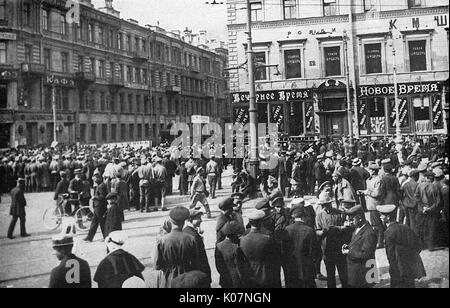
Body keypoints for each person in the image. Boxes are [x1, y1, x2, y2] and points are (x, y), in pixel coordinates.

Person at [377, 204, 426, 288]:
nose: (380, 217)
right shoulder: (405, 227)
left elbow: (390, 255)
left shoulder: (389, 232)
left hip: (398, 269)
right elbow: (418, 245)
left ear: (388, 217)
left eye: (382, 215)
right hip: (409, 267)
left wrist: (393, 267)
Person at [154, 206, 201, 288]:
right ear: (184, 222)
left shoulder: (162, 240)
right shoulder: (190, 239)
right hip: (187, 277)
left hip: (168, 278)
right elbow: (196, 263)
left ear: (171, 221)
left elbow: (157, 265)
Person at [315, 195, 351, 288]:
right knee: (330, 274)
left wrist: (338, 229)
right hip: (327, 248)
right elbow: (316, 231)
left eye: (327, 204)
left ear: (330, 203)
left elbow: (346, 227)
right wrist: (323, 232)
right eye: (323, 205)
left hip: (339, 246)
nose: (325, 207)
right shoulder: (319, 215)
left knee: (343, 272)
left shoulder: (339, 213)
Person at [240, 209, 281, 288]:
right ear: (261, 222)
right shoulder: (267, 238)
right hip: (265, 274)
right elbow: (275, 258)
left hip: (250, 275)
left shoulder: (242, 239)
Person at [341, 209, 377, 288]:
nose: (350, 222)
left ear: (360, 218)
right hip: (357, 272)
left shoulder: (369, 233)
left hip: (363, 273)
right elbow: (357, 243)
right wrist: (349, 246)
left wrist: (349, 251)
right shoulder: (357, 228)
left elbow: (366, 254)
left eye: (352, 219)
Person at [286, 206, 320, 288]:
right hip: (306, 268)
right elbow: (314, 251)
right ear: (304, 216)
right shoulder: (309, 230)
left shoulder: (287, 229)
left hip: (291, 267)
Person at [215, 220, 254, 288]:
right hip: (237, 281)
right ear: (235, 234)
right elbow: (240, 265)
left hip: (225, 280)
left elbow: (218, 266)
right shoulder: (238, 246)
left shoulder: (218, 246)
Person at [415, 171, 442, 251]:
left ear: (426, 178)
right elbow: (438, 201)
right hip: (432, 210)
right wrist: (430, 208)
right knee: (431, 228)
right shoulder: (435, 187)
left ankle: (421, 245)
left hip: (422, 210)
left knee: (421, 226)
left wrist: (423, 207)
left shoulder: (420, 185)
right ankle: (430, 246)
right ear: (432, 178)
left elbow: (417, 197)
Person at [183, 210, 211, 284]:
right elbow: (198, 258)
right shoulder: (193, 235)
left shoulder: (188, 230)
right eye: (198, 218)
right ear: (190, 220)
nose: (201, 220)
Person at [362, 163, 384, 248]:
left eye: (370, 170)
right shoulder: (371, 180)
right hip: (371, 205)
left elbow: (377, 193)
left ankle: (380, 241)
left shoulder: (378, 180)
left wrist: (367, 192)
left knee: (377, 225)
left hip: (375, 204)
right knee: (374, 224)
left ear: (374, 171)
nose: (369, 171)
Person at [84, 173, 108, 242]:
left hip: (100, 206)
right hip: (98, 206)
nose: (94, 181)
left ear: (98, 178)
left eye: (94, 179)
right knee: (95, 222)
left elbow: (103, 196)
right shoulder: (100, 185)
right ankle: (89, 237)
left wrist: (95, 197)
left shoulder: (101, 186)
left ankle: (105, 237)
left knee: (101, 222)